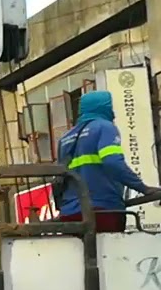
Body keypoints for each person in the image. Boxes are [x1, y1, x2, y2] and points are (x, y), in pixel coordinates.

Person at [55, 90, 157, 233]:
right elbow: (113, 162)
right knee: (111, 247)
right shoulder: (104, 127)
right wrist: (143, 188)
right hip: (102, 209)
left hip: (69, 214)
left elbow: (60, 176)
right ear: (105, 107)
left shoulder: (65, 138)